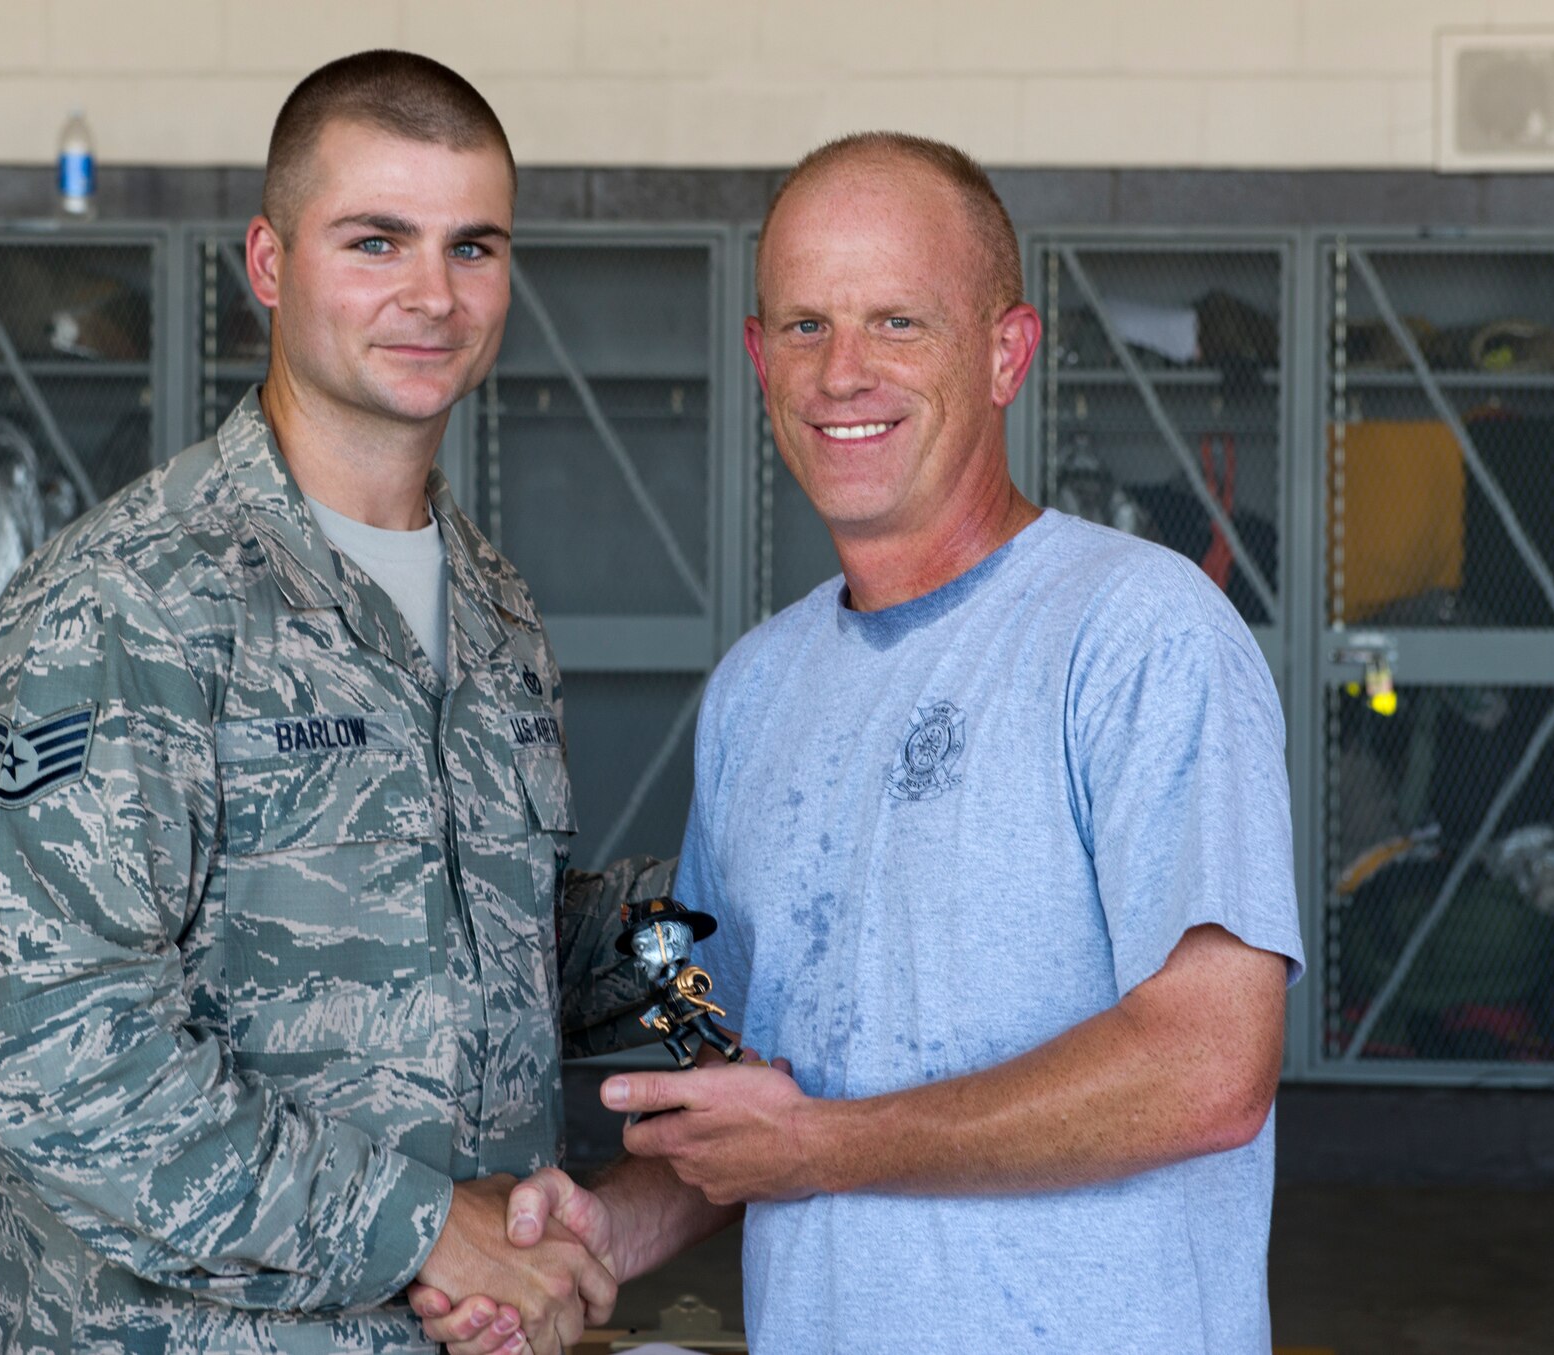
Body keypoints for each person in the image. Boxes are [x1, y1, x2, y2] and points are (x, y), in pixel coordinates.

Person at [413, 132, 1304, 1354]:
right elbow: (753, 1093)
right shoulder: (755, 691)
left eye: (897, 323)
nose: (842, 373)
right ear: (755, 355)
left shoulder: (1138, 634)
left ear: (1004, 352)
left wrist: (822, 1144)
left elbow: (1210, 1068)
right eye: (802, 326)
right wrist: (597, 1234)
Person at [0, 50, 672, 1355]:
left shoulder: (491, 606)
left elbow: (485, 941)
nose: (433, 296)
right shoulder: (132, 598)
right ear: (269, 265)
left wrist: (748, 919)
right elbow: (42, 1044)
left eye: (473, 246)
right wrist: (425, 1226)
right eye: (376, 240)